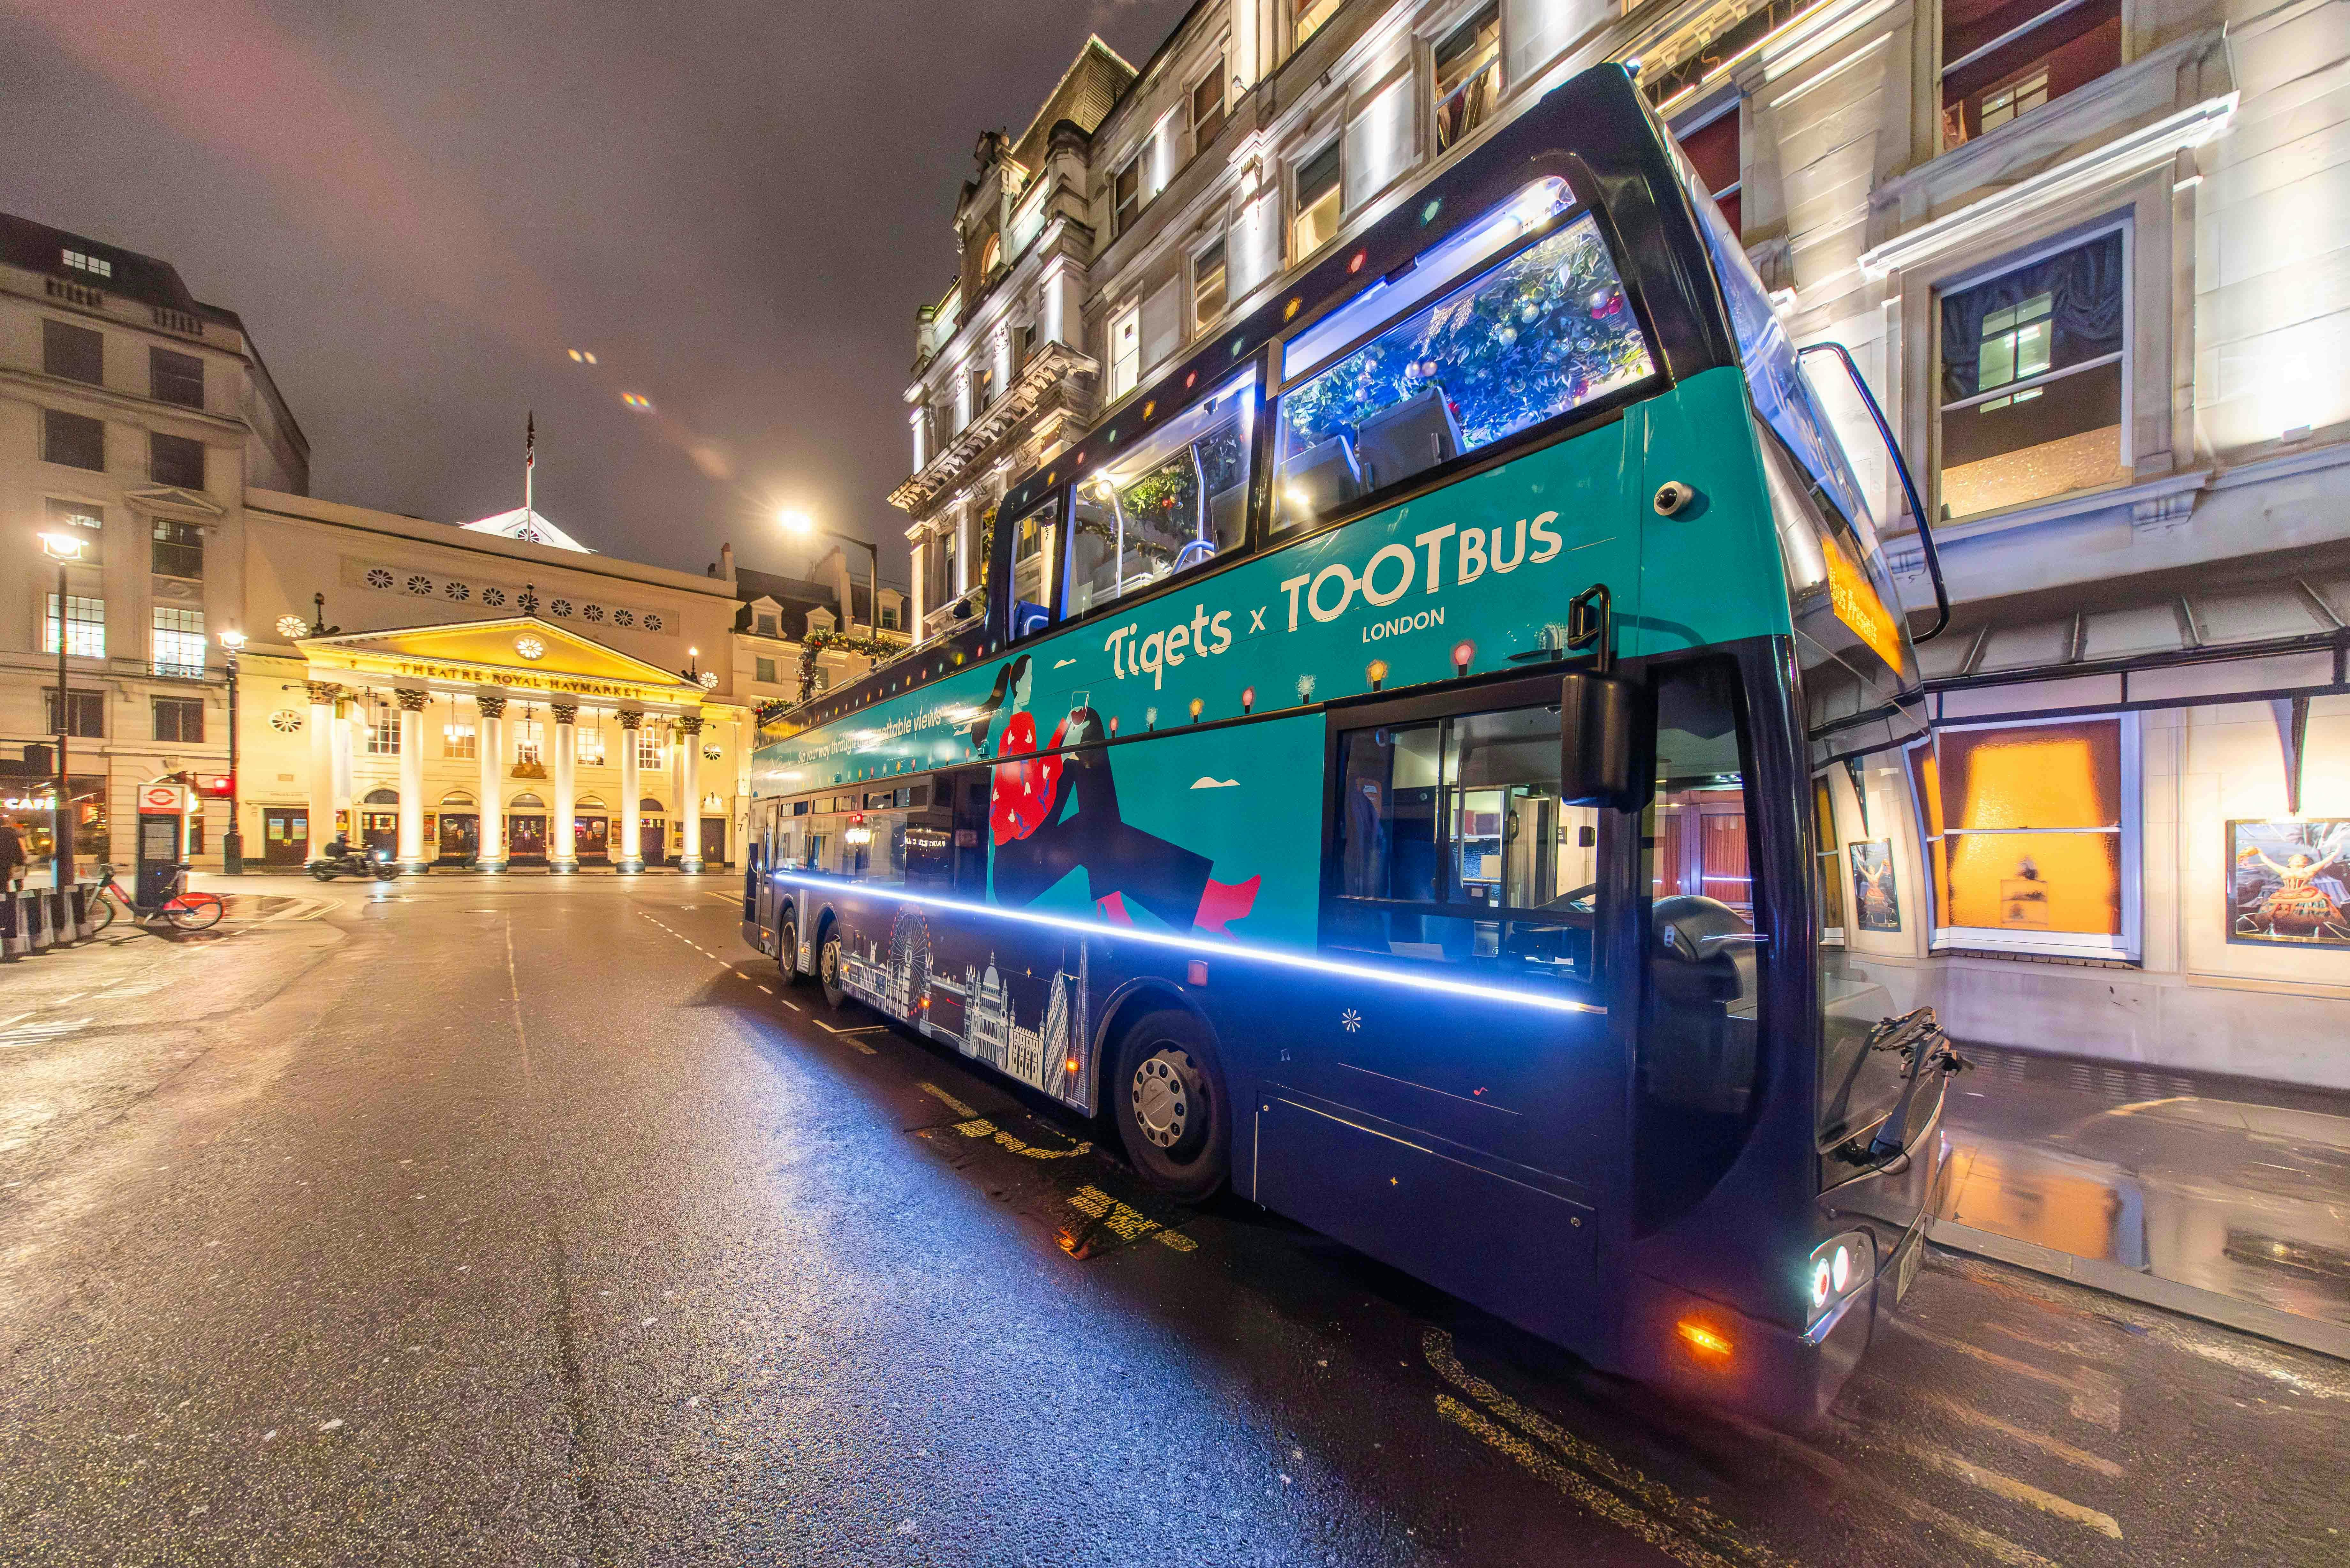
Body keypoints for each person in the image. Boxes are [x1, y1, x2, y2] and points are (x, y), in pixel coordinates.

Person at [0, 819, 25, 893]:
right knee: (4, 887)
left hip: (3, 866)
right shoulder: (13, 835)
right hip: (9, 865)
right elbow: (19, 853)